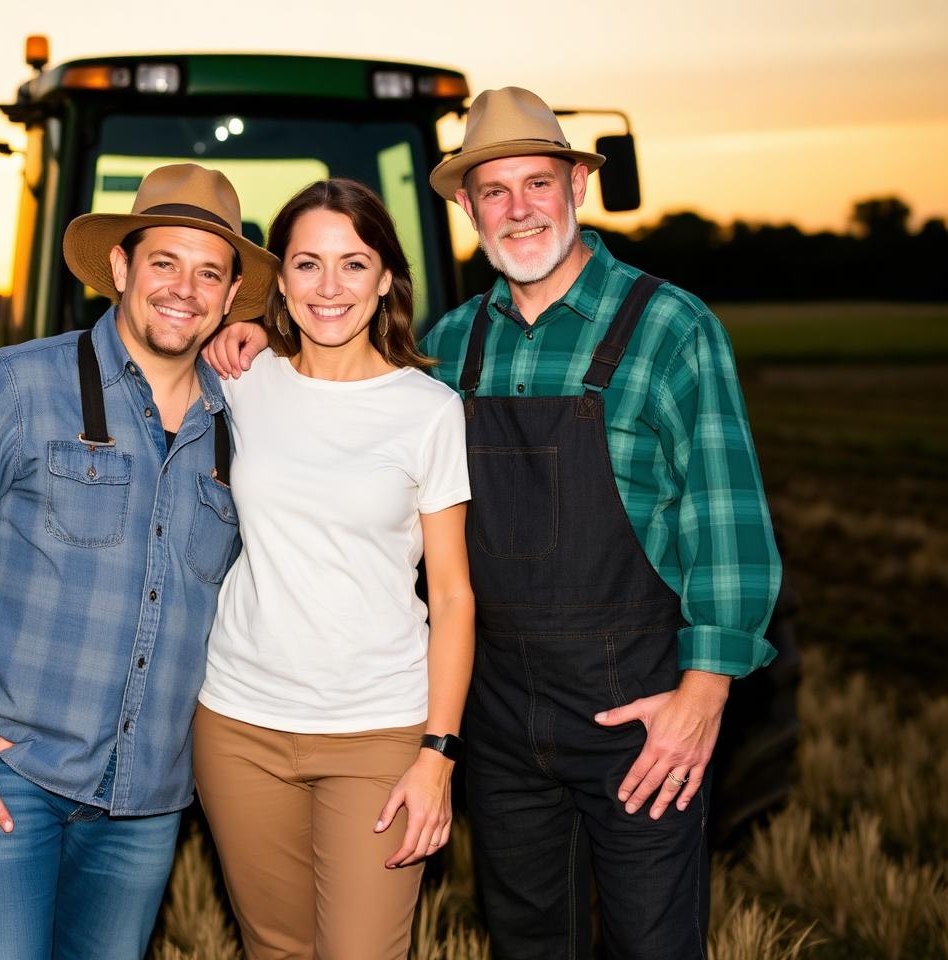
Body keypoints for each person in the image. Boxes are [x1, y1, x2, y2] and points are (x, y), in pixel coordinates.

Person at [205, 89, 782, 960]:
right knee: (525, 938)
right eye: (494, 192)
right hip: (502, 713)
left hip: (634, 704)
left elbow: (728, 516)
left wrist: (704, 693)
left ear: (577, 185)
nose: (518, 210)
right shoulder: (458, 341)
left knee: (652, 940)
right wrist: (248, 329)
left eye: (537, 183)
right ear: (466, 208)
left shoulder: (668, 326)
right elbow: (342, 400)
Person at [0, 163, 278, 960]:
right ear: (121, 268)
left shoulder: (243, 427)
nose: (183, 289)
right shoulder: (21, 383)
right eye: (164, 262)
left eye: (208, 273)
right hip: (1, 771)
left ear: (230, 298)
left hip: (145, 800)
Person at [192, 178, 475, 960]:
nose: (329, 287)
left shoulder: (429, 411)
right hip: (239, 724)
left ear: (386, 276)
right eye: (307, 264)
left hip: (379, 731)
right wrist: (242, 328)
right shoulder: (240, 382)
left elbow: (452, 598)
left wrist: (438, 754)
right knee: (274, 947)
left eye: (353, 264)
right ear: (278, 278)